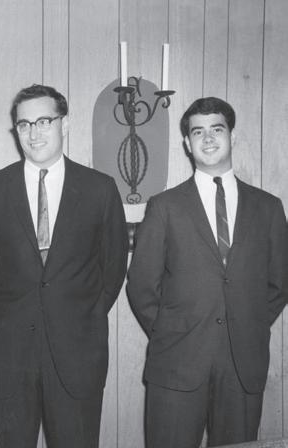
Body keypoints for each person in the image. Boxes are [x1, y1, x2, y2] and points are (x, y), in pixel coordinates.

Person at [0, 84, 128, 448]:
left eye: (44, 121)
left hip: (78, 352)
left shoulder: (100, 189)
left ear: (64, 124)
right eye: (24, 124)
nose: (33, 133)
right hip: (10, 355)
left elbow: (113, 268)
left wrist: (79, 313)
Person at [127, 97, 288, 447]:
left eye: (217, 129)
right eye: (198, 132)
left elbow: (279, 283)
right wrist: (173, 331)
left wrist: (247, 323)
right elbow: (141, 285)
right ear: (187, 143)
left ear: (232, 136)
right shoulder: (164, 206)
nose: (208, 138)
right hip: (176, 362)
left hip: (243, 365)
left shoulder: (268, 207)